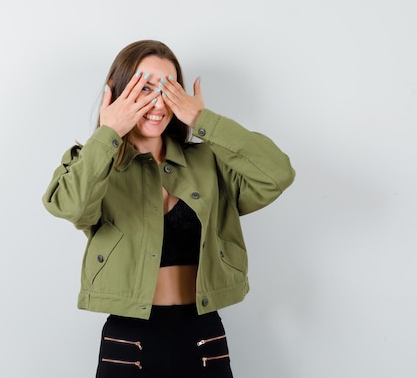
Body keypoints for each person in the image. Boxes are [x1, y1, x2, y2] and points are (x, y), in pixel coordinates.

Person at [42, 40, 295, 378]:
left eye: (168, 88)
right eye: (144, 88)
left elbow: (278, 174)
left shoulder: (206, 162)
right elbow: (69, 205)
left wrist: (203, 119)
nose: (158, 102)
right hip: (130, 341)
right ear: (119, 92)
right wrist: (109, 132)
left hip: (203, 336)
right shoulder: (95, 163)